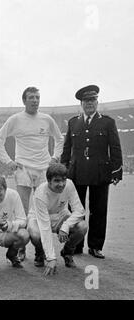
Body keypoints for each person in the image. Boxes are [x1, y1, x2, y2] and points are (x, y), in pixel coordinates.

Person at [0, 86, 64, 261]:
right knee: (23, 211)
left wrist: (55, 157)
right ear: (24, 100)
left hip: (44, 169)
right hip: (23, 169)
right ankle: (21, 248)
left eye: (37, 97)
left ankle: (40, 249)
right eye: (31, 97)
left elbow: (59, 139)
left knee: (41, 210)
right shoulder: (15, 119)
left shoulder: (47, 119)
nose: (35, 100)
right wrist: (8, 161)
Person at [61, 85, 123, 258]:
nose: (90, 103)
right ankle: (76, 244)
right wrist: (63, 169)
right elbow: (67, 148)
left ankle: (95, 246)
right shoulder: (73, 122)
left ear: (97, 102)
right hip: (77, 172)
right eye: (87, 101)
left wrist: (116, 170)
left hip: (100, 173)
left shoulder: (108, 122)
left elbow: (115, 147)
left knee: (99, 209)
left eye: (93, 100)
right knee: (76, 210)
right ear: (81, 103)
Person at [27, 163, 88, 276]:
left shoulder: (69, 184)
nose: (61, 184)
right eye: (57, 181)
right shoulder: (40, 194)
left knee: (82, 226)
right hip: (39, 218)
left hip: (60, 216)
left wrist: (66, 226)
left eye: (63, 180)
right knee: (36, 234)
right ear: (49, 181)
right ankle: (40, 253)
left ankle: (67, 252)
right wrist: (51, 258)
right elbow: (45, 227)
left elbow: (80, 210)